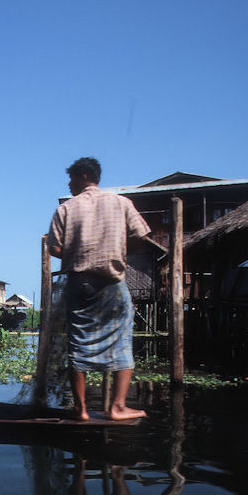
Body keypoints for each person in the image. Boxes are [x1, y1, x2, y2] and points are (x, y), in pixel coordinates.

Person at [47, 157, 149, 421]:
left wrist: (79, 252)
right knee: (122, 340)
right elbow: (141, 235)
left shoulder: (67, 209)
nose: (69, 184)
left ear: (82, 176)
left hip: (80, 283)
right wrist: (119, 251)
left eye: (71, 179)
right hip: (112, 281)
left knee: (78, 342)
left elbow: (54, 248)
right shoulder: (121, 203)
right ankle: (117, 407)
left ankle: (81, 410)